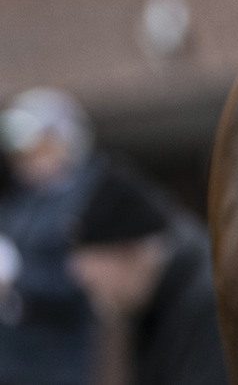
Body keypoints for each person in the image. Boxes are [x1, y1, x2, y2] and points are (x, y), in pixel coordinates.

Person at [65, 162, 225, 385]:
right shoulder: (150, 306)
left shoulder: (208, 304)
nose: (94, 300)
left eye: (94, 284)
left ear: (127, 253)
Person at [0, 89, 101, 385]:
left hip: (63, 366)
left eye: (37, 147)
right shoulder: (19, 205)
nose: (25, 159)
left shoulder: (91, 198)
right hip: (14, 365)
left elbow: (87, 282)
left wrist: (17, 280)